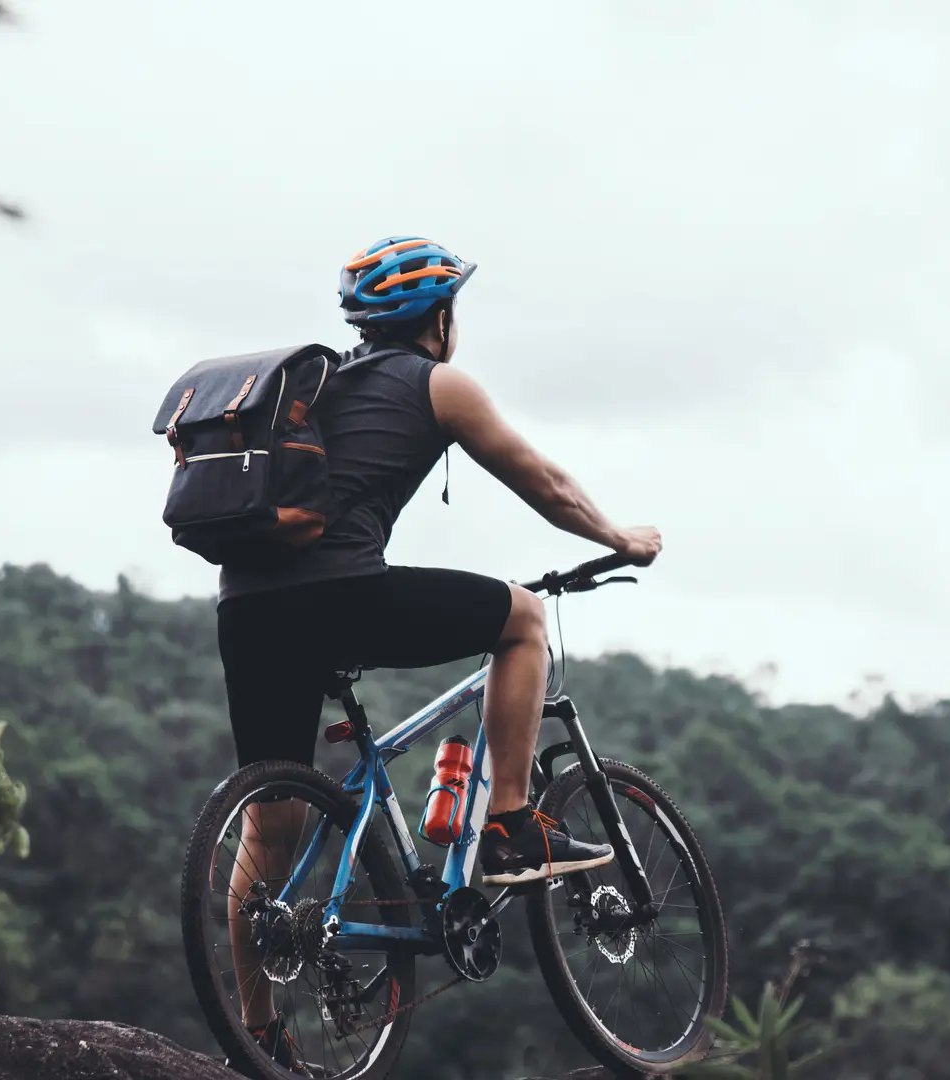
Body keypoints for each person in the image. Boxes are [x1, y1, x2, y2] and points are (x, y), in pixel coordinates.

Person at [217, 236, 661, 1066]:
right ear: (440, 319)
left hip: (247, 610)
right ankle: (508, 823)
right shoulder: (438, 383)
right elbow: (546, 484)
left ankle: (258, 1031)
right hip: (341, 595)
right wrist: (619, 538)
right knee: (522, 618)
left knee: (266, 827)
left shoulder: (318, 388)